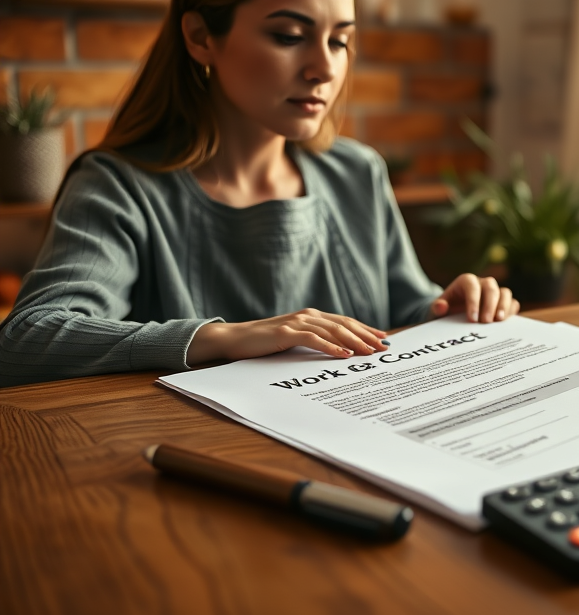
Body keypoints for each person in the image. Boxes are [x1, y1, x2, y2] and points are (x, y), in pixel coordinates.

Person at [0, 0, 518, 388]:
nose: (325, 68)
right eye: (291, 36)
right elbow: (28, 340)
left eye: (340, 40)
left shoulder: (358, 171)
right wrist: (228, 338)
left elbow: (406, 307)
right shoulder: (118, 186)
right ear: (202, 37)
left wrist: (451, 306)